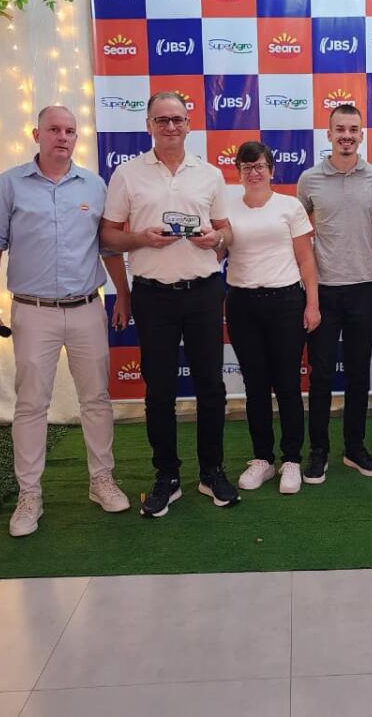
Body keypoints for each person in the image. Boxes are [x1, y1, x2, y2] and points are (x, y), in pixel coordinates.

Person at [0, 105, 131, 537]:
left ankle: (102, 480)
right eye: (54, 129)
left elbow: (108, 248)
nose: (62, 137)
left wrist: (123, 295)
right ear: (36, 134)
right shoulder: (8, 185)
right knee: (30, 404)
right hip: (33, 311)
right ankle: (29, 495)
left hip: (87, 308)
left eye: (70, 131)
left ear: (77, 137)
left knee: (96, 398)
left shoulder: (95, 185)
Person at [101, 91, 238, 517]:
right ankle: (167, 476)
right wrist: (140, 238)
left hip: (203, 292)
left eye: (177, 119)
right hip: (153, 295)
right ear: (149, 126)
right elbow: (108, 236)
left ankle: (212, 472)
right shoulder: (127, 174)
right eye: (162, 120)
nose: (171, 127)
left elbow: (227, 231)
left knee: (211, 387)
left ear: (189, 124)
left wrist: (216, 238)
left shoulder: (209, 174)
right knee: (159, 390)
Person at [224, 142, 322, 495]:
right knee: (255, 385)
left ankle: (291, 458)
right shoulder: (226, 207)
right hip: (242, 303)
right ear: (238, 171)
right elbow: (217, 250)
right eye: (247, 167)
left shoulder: (289, 206)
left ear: (271, 170)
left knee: (287, 384)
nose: (254, 172)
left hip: (285, 302)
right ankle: (263, 458)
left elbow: (306, 259)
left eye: (260, 166)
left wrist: (312, 304)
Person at [296, 104, 372, 482]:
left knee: (358, 374)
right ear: (329, 133)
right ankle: (318, 450)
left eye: (353, 129)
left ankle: (354, 447)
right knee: (320, 376)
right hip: (324, 290)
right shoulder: (309, 179)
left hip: (366, 287)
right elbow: (298, 231)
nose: (346, 136)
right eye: (340, 129)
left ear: (361, 134)